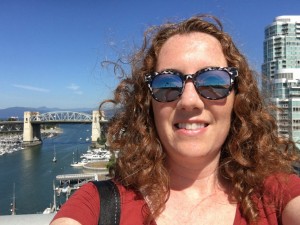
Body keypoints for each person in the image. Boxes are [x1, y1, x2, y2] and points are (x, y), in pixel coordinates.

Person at [50, 14, 300, 225]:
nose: (189, 100)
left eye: (214, 81)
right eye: (167, 84)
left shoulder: (277, 195)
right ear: (148, 104)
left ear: (238, 98)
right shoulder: (98, 205)